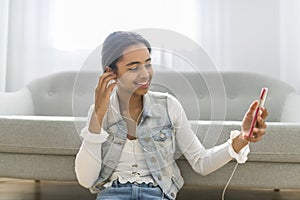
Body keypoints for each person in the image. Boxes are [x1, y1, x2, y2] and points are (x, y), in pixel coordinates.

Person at [75, 31, 268, 200]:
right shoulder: (99, 112)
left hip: (157, 194)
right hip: (113, 194)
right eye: (134, 67)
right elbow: (86, 180)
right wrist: (98, 115)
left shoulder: (168, 106)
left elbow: (201, 162)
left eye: (148, 64)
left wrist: (243, 138)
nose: (145, 75)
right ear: (111, 73)